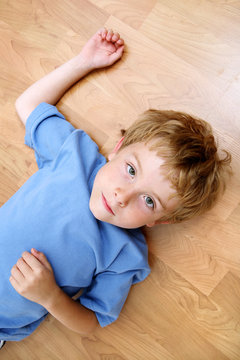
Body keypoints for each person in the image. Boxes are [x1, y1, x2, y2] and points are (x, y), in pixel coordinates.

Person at [0, 28, 231, 348]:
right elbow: (28, 104)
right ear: (119, 148)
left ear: (159, 220)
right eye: (131, 170)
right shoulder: (75, 156)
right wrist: (84, 62)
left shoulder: (125, 255)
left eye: (149, 200)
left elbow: (92, 322)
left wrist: (50, 297)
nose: (123, 196)